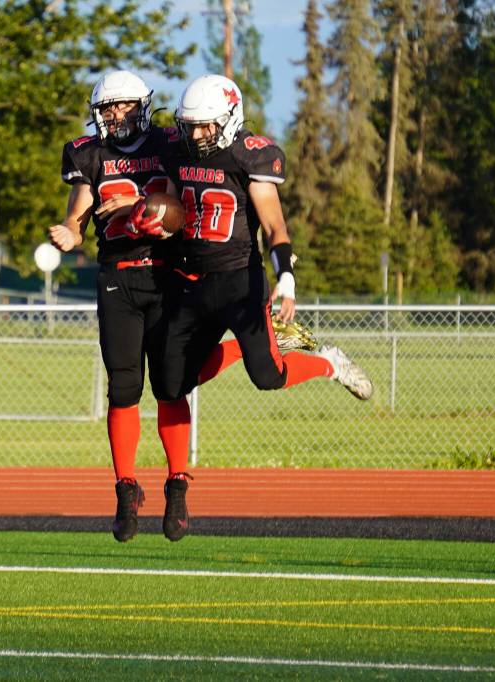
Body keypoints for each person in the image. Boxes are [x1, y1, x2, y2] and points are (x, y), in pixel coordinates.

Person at [48, 71, 311, 544]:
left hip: (168, 275)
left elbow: (180, 201)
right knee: (124, 387)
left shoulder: (174, 142)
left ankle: (177, 484)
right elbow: (78, 209)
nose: (116, 115)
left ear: (143, 107)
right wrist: (70, 230)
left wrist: (140, 202)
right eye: (107, 109)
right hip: (118, 279)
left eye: (125, 106)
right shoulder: (90, 154)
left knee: (172, 384)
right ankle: (125, 490)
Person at [128, 74, 373, 543]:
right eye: (190, 126)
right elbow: (168, 197)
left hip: (240, 283)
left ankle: (329, 363)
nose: (195, 135)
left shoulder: (251, 154)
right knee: (171, 383)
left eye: (204, 127)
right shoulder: (178, 150)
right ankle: (182, 473)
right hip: (189, 282)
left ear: (229, 119)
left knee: (269, 376)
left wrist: (286, 277)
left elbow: (274, 224)